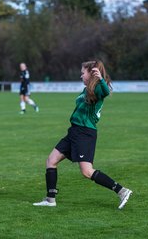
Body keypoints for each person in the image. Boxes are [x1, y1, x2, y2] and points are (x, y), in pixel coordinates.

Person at [33, 60, 133, 209]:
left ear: (91, 74)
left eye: (82, 73)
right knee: (51, 160)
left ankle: (121, 191)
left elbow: (105, 92)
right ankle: (50, 199)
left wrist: (100, 79)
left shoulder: (98, 89)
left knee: (87, 171)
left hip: (85, 133)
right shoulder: (86, 89)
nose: (81, 76)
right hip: (74, 131)